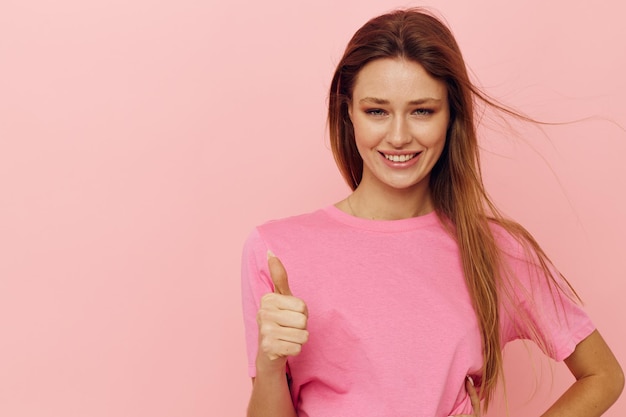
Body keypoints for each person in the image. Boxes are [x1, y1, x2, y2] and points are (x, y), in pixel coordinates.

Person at [240, 8, 624, 417]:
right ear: (347, 111)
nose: (400, 136)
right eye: (377, 111)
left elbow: (604, 374)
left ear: (451, 116)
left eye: (422, 110)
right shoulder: (276, 250)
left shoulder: (494, 250)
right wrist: (269, 366)